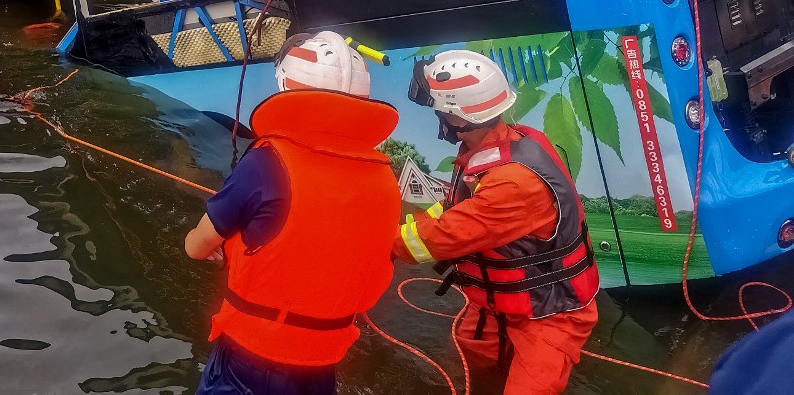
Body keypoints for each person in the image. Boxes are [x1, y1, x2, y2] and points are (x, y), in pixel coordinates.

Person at [184, 31, 402, 395]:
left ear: (287, 84)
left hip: (251, 357)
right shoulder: (384, 175)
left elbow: (196, 246)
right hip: (322, 359)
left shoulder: (267, 162)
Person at [394, 50, 599, 395]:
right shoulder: (492, 150)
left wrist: (382, 242)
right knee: (463, 368)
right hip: (497, 307)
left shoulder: (513, 183)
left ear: (458, 118)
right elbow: (450, 210)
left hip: (549, 316)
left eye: (440, 108)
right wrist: (400, 224)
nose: (437, 115)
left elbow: (441, 236)